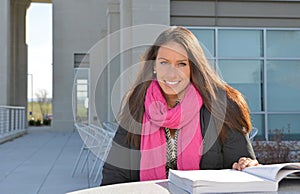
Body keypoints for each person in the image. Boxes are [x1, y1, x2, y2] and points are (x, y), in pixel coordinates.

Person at [101, 26, 259, 186]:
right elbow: (114, 175)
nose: (171, 73)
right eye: (164, 62)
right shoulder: (137, 105)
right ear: (154, 65)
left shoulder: (222, 106)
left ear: (193, 67)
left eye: (181, 64)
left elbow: (243, 171)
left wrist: (246, 166)